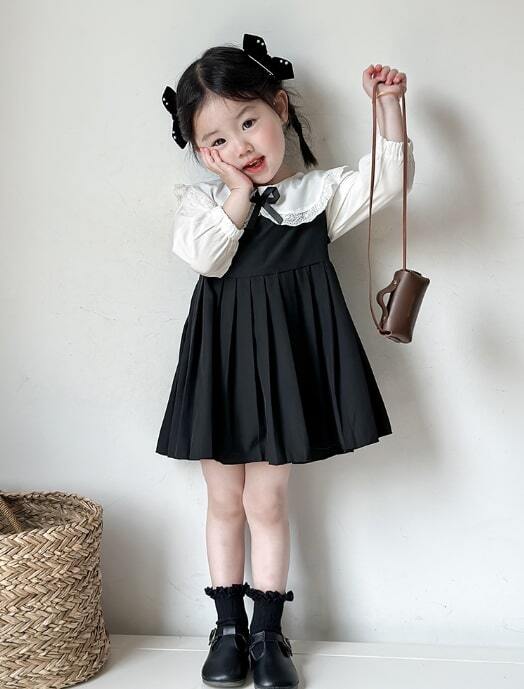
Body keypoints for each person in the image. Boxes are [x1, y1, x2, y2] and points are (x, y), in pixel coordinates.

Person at [156, 32, 415, 689]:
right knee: (223, 499)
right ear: (203, 154)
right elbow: (206, 258)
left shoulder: (315, 196)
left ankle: (268, 632)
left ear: (279, 107)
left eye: (249, 122)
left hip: (281, 371)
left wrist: (388, 107)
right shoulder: (202, 207)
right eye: (218, 140)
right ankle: (228, 628)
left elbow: (388, 183)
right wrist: (236, 191)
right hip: (221, 369)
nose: (241, 145)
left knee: (266, 500)